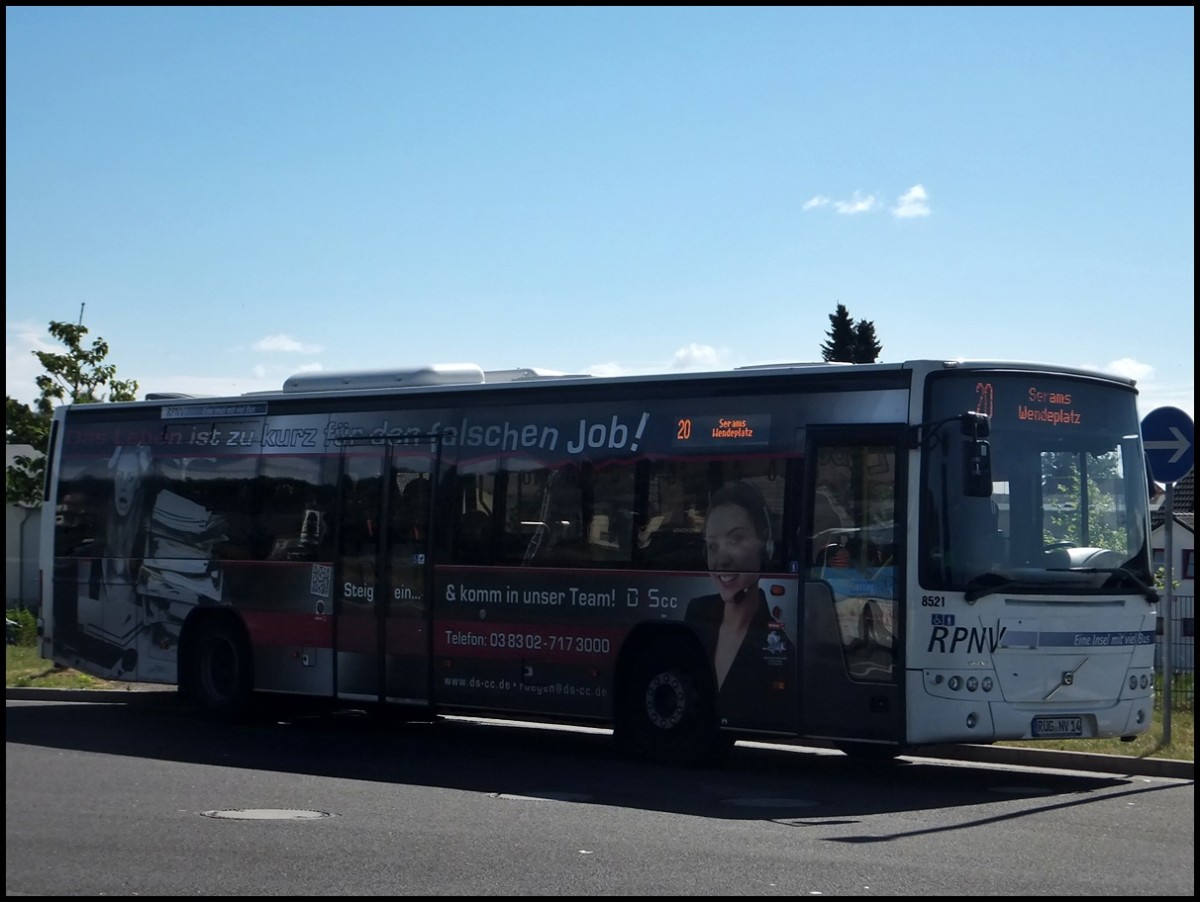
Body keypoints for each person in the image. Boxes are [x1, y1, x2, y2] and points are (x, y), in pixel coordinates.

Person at [684, 481, 794, 721]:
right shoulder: (696, 612)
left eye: (735, 540)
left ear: (765, 542)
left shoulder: (780, 645)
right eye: (712, 545)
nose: (721, 560)